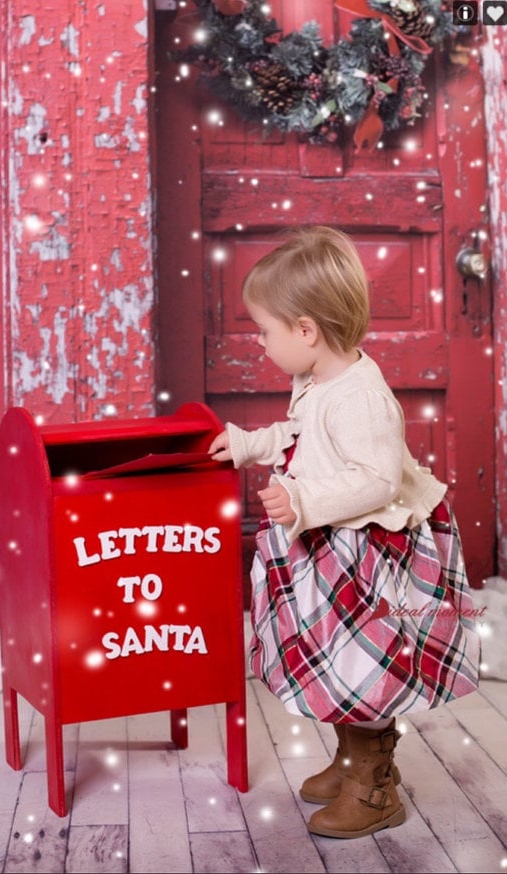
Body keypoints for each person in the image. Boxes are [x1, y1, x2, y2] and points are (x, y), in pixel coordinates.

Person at [208, 225, 480, 840]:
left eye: (265, 331)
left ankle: (374, 784)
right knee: (336, 661)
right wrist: (252, 445)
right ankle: (352, 756)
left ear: (306, 331)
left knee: (363, 663)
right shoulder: (320, 378)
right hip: (335, 547)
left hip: (370, 554)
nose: (260, 343)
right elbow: (301, 435)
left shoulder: (362, 398)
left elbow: (376, 481)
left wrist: (302, 498)